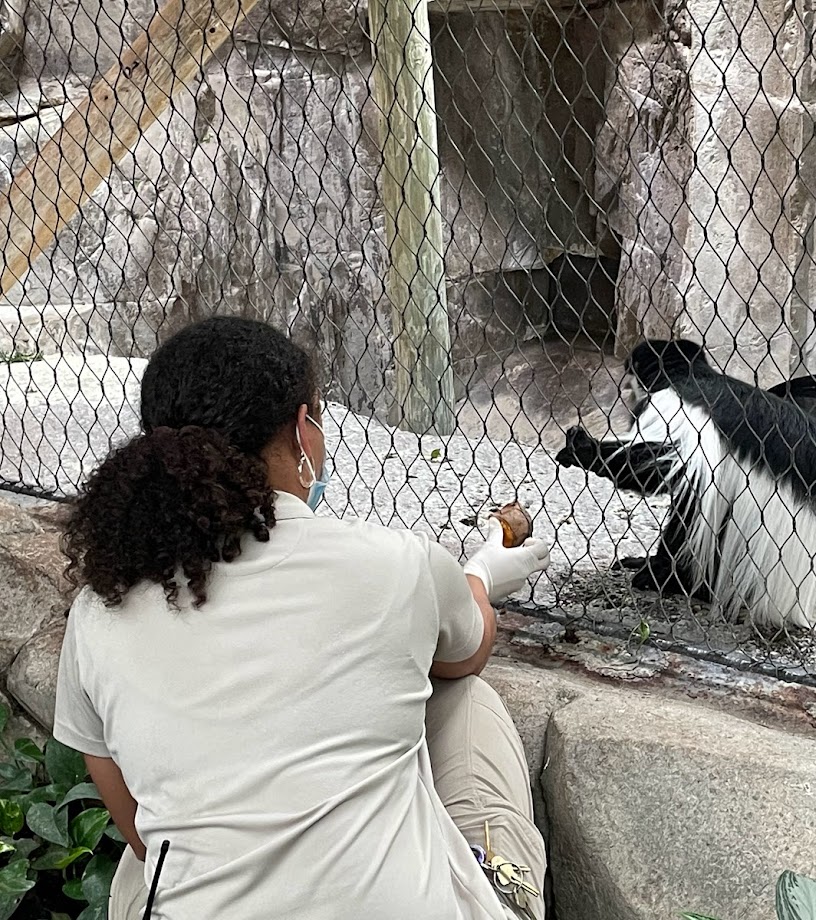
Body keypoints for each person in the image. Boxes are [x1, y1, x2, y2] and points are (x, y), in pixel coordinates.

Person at [52, 316, 552, 920]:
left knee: (149, 858)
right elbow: (467, 651)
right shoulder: (394, 563)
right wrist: (480, 575)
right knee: (465, 700)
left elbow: (135, 825)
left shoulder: (99, 606)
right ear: (300, 427)